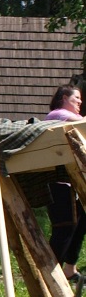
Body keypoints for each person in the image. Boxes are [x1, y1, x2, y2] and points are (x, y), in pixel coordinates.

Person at [45, 84, 86, 282]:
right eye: (76, 98)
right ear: (64, 98)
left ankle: (70, 269)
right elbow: (82, 122)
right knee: (65, 227)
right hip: (58, 182)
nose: (80, 102)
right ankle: (50, 275)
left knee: (81, 223)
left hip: (72, 182)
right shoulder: (57, 115)